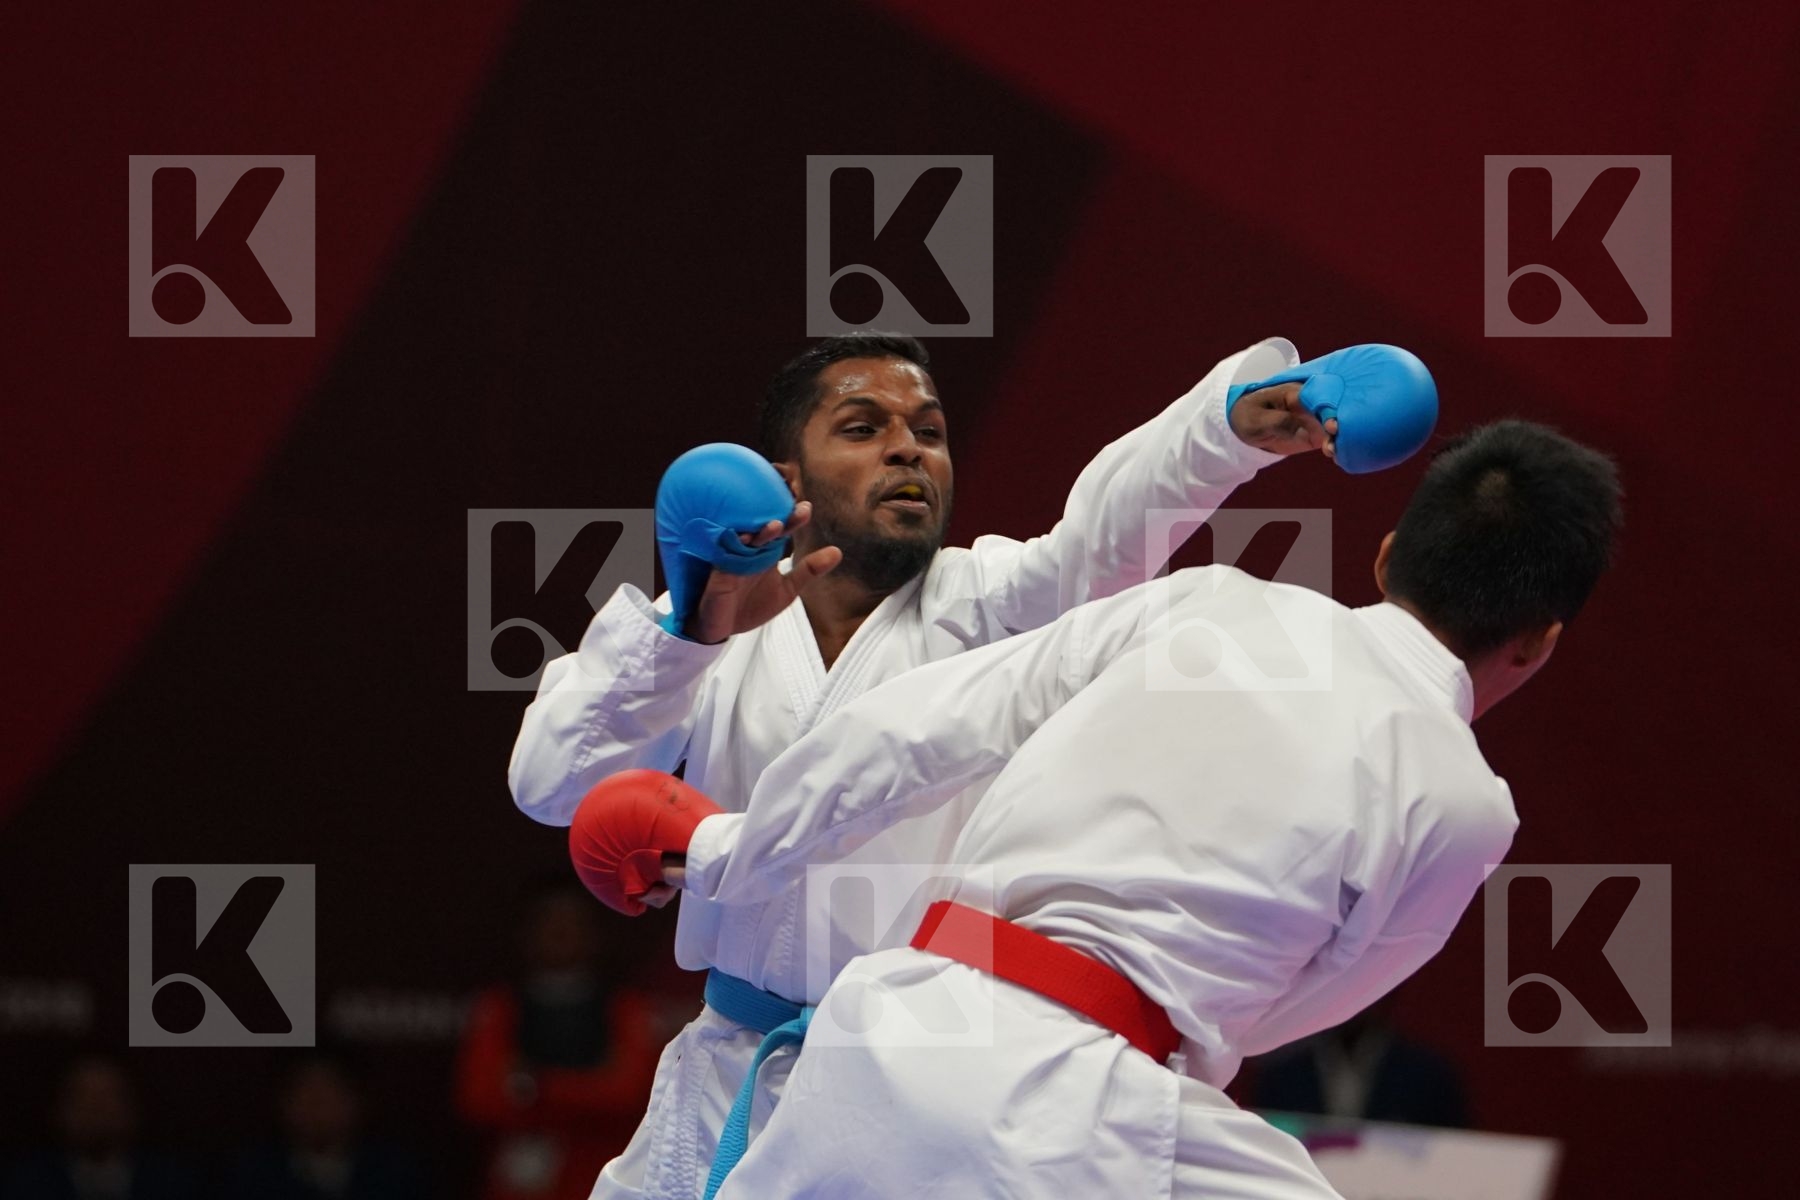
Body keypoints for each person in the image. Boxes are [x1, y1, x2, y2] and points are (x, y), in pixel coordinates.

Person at [600, 419, 1620, 1196]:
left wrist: (728, 847)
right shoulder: (1465, 803)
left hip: (887, 1031)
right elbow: (1298, 1011)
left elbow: (921, 726)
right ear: (1539, 641)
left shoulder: (1211, 600)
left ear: (1389, 553)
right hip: (1083, 1107)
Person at [511, 331, 1354, 1199]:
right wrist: (691, 631)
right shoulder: (709, 621)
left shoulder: (987, 605)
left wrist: (1218, 432)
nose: (908, 447)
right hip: (732, 1070)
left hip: (920, 1090)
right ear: (787, 479)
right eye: (863, 426)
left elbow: (1103, 539)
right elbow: (550, 786)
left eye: (929, 430)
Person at [455, 881, 671, 1200]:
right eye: (549, 921)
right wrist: (584, 1091)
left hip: (600, 1176)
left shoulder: (626, 1008)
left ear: (596, 933)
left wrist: (535, 1087)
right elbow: (478, 1098)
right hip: (518, 1183)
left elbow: (630, 1094)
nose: (560, 932)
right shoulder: (500, 1007)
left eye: (572, 922)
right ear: (526, 932)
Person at [222, 1050, 426, 1200]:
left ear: (357, 1101)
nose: (315, 1105)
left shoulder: (395, 1174)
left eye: (329, 1092)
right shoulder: (252, 1174)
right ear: (283, 1102)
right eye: (304, 1091)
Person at [1, 1054, 197, 1200]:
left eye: (108, 1096)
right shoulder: (23, 1186)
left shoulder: (173, 1185)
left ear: (133, 1106)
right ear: (58, 1109)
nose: (96, 1108)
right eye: (83, 1097)